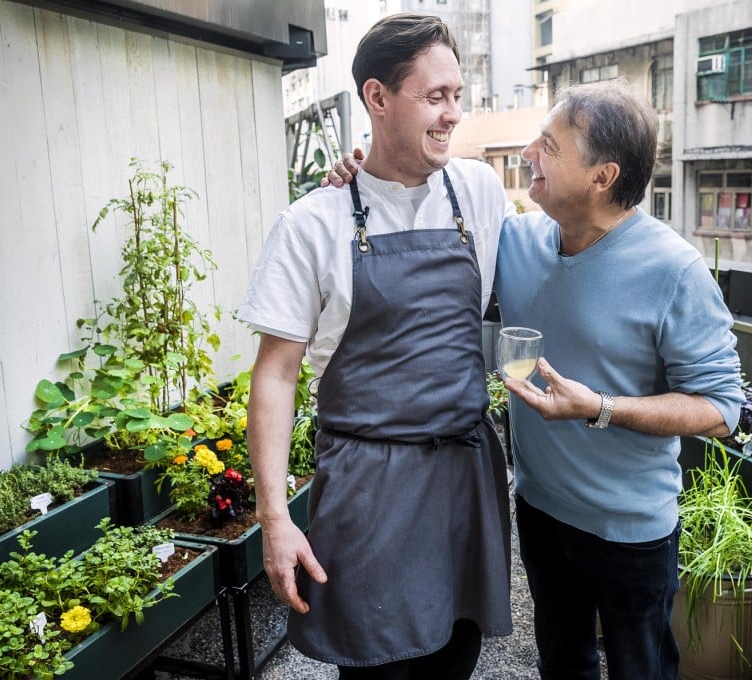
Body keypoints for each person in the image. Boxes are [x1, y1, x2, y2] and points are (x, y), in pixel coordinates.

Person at [326, 80, 743, 679]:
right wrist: (360, 179)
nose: (528, 155)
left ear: (602, 176)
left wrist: (600, 407)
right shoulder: (513, 243)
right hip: (542, 513)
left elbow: (722, 408)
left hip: (630, 530)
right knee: (564, 666)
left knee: (641, 670)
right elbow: (421, 234)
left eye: (549, 145)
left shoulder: (675, 270)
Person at [239, 13, 513, 679]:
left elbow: (573, 229)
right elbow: (274, 377)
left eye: (457, 95)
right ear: (377, 97)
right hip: (369, 490)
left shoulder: (477, 192)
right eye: (434, 97)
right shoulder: (312, 222)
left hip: (461, 478)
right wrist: (275, 519)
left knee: (458, 654)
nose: (452, 115)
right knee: (377, 665)